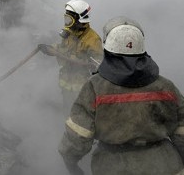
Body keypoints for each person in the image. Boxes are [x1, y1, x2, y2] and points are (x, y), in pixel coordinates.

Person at [58, 16, 184, 175]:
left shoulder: (95, 87)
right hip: (164, 165)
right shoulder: (166, 86)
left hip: (113, 166)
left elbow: (78, 136)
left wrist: (71, 163)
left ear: (108, 49)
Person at [38, 0, 103, 114]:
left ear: (79, 20)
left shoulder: (92, 39)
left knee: (81, 116)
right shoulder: (70, 34)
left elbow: (98, 65)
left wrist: (74, 59)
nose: (66, 23)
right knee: (67, 113)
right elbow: (62, 48)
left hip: (82, 89)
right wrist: (49, 48)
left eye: (69, 19)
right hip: (67, 84)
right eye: (66, 19)